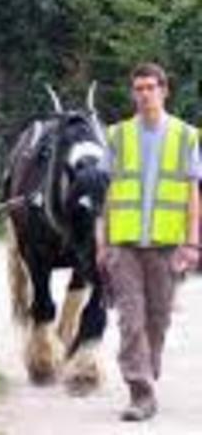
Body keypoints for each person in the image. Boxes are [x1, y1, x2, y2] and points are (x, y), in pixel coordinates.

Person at [98, 62, 201, 422]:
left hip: (166, 246)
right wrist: (103, 243)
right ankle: (139, 391)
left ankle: (148, 371)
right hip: (125, 245)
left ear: (164, 90)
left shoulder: (187, 136)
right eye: (138, 88)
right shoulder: (116, 136)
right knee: (131, 319)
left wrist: (192, 244)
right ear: (133, 93)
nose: (144, 94)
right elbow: (109, 195)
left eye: (150, 88)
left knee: (158, 320)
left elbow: (192, 195)